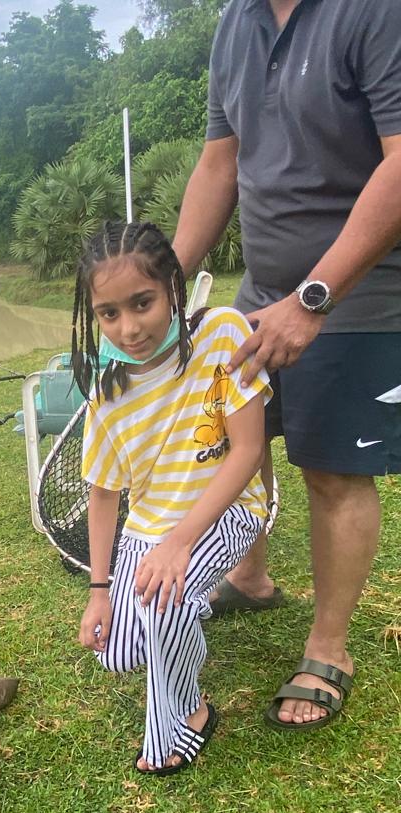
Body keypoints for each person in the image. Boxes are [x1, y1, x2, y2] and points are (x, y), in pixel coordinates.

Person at [172, 0, 401, 731]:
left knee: (332, 471)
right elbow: (220, 162)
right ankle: (251, 575)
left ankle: (330, 648)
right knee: (241, 439)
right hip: (261, 289)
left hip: (358, 291)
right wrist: (163, 285)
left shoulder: (374, 12)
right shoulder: (236, 23)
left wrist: (313, 298)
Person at [74, 219, 270, 775]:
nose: (129, 328)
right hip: (150, 527)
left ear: (173, 291)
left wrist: (182, 543)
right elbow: (105, 495)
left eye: (143, 303)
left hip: (229, 510)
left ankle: (187, 718)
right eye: (109, 314)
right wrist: (99, 590)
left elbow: (249, 450)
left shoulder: (221, 333)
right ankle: (187, 604)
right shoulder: (108, 390)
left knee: (165, 604)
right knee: (118, 651)